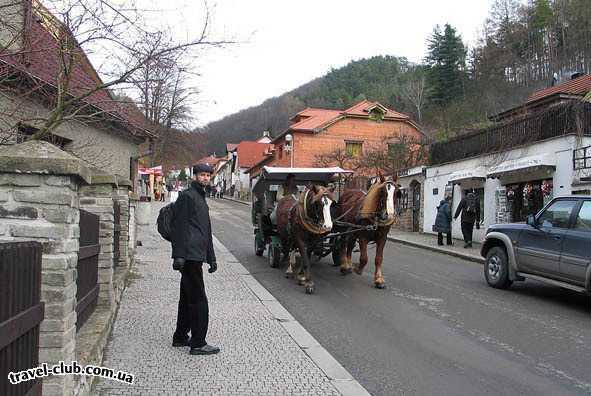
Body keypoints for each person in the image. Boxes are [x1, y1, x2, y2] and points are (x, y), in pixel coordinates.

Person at [170, 163, 220, 355]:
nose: (205, 178)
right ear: (195, 176)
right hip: (189, 257)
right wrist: (179, 255)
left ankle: (180, 336)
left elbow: (205, 230)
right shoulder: (187, 197)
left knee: (186, 298)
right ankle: (198, 342)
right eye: (202, 175)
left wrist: (212, 258)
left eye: (208, 175)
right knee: (199, 299)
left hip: (196, 255)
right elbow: (180, 227)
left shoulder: (200, 197)